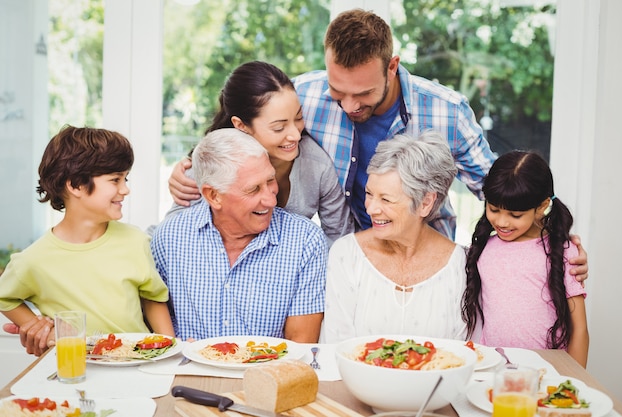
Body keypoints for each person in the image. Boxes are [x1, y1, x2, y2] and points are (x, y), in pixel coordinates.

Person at [167, 9, 589, 283]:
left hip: (423, 257)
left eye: (363, 95)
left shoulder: (446, 111)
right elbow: (241, 130)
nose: (349, 105)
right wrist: (188, 169)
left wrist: (555, 243)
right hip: (348, 255)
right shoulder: (306, 98)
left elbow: (502, 192)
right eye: (338, 92)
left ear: (392, 66)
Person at [0, 125, 174, 356]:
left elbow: (153, 298)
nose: (125, 190)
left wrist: (170, 348)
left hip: (137, 364)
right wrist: (38, 327)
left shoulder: (135, 241)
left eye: (125, 179)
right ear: (75, 185)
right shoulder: (34, 260)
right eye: (115, 180)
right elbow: (5, 297)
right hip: (77, 369)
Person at [151, 128, 327, 343]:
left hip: (267, 373)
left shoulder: (306, 241)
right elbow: (151, 308)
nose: (271, 200)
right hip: (187, 371)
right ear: (213, 195)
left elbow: (301, 346)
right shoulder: (170, 237)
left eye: (270, 181)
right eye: (253, 190)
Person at [163, 61, 353, 243]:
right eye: (279, 128)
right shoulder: (215, 161)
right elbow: (172, 233)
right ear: (241, 125)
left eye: (298, 118)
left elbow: (339, 238)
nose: (295, 135)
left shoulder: (317, 165)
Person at [321, 131, 467, 343]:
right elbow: (336, 349)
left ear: (425, 203)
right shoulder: (346, 255)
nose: (370, 209)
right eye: (369, 194)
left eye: (386, 200)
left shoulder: (459, 265)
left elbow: (462, 355)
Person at [462, 151, 589, 367]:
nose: (501, 222)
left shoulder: (564, 252)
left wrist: (574, 381)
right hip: (494, 372)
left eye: (515, 215)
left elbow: (580, 330)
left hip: (548, 374)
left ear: (541, 207)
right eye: (494, 209)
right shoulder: (483, 250)